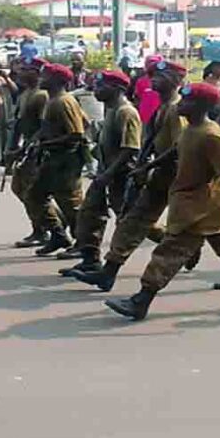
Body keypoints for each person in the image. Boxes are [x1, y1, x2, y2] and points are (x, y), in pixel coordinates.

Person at [104, 82, 220, 320]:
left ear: (202, 106)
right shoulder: (191, 129)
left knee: (169, 252)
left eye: (187, 101)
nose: (181, 104)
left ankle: (141, 300)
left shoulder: (210, 135)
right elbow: (175, 151)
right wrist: (148, 166)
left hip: (201, 206)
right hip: (203, 204)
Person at [71, 60, 188, 292]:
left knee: (216, 230)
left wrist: (146, 165)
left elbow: (178, 148)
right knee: (131, 223)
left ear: (176, 81)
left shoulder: (177, 110)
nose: (153, 79)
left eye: (160, 77)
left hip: (178, 176)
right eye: (152, 75)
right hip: (158, 175)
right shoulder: (162, 108)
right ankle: (108, 272)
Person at [60, 70, 142, 275]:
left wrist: (108, 174)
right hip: (105, 173)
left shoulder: (126, 112)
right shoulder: (111, 109)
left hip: (121, 176)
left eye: (101, 86)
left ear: (117, 89)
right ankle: (90, 259)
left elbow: (131, 148)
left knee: (133, 222)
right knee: (89, 215)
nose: (95, 90)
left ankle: (182, 246)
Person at [27, 63, 89, 257]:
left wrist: (46, 144)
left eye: (45, 76)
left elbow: (76, 133)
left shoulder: (63, 101)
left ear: (56, 80)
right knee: (35, 196)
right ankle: (58, 235)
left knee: (70, 204)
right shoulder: (52, 100)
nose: (41, 78)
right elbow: (84, 120)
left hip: (66, 160)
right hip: (53, 159)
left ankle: (84, 244)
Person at [5, 57, 59, 248]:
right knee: (20, 188)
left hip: (37, 150)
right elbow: (19, 123)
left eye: (26, 69)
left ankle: (49, 229)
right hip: (25, 149)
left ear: (36, 73)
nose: (19, 72)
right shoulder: (25, 93)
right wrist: (11, 147)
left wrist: (25, 148)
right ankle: (42, 227)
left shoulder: (41, 95)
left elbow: (44, 127)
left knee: (33, 193)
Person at [133, 54, 163, 125]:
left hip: (160, 117)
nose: (152, 66)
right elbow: (137, 98)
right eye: (149, 63)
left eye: (154, 63)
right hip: (144, 118)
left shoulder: (164, 81)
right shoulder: (141, 81)